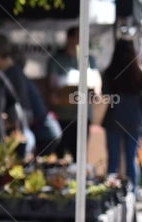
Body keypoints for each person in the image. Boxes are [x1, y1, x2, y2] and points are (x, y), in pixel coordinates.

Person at [0, 34, 61, 155]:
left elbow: (24, 110)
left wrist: (5, 123)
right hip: (44, 131)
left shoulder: (13, 75)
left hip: (43, 133)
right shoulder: (13, 73)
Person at [102, 38, 142, 189]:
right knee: (131, 159)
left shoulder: (109, 72)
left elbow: (105, 93)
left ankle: (111, 193)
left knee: (113, 160)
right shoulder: (140, 73)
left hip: (114, 118)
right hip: (134, 120)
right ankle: (133, 194)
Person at [48, 26, 99, 156]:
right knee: (60, 155)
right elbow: (52, 84)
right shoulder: (57, 59)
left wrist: (96, 92)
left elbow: (97, 82)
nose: (80, 41)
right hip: (63, 116)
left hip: (83, 115)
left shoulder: (90, 60)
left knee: (80, 155)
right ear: (69, 38)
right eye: (78, 37)